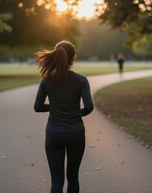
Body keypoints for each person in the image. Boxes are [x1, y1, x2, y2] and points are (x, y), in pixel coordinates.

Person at [34, 41, 94, 193]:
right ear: (73, 59)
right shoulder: (81, 80)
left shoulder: (47, 80)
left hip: (54, 133)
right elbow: (88, 107)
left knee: (56, 181)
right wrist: (77, 112)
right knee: (73, 177)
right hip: (76, 133)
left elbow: (38, 107)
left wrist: (54, 107)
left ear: (55, 56)